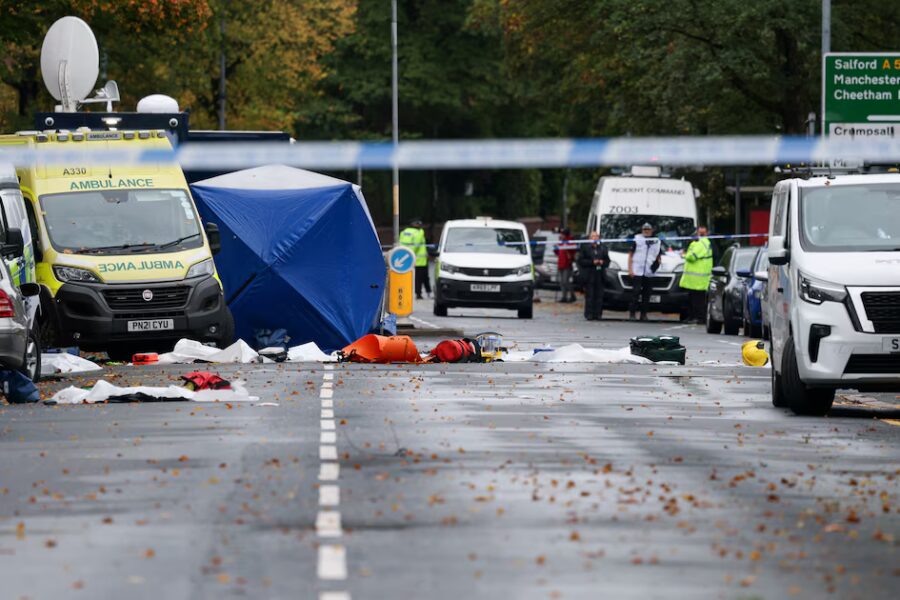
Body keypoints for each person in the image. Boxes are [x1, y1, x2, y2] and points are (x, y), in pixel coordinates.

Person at [679, 225, 713, 324]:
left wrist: (684, 255)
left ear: (707, 233)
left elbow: (692, 257)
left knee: (698, 300)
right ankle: (693, 317)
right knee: (693, 299)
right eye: (700, 233)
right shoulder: (699, 243)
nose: (701, 235)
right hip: (694, 278)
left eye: (703, 233)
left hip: (698, 278)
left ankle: (699, 318)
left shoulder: (703, 243)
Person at [628, 222, 662, 321]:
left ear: (651, 231)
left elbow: (658, 255)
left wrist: (657, 265)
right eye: (644, 230)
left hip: (649, 271)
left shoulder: (656, 241)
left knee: (647, 295)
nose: (646, 231)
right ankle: (632, 314)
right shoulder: (637, 239)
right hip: (637, 270)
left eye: (648, 230)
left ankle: (643, 314)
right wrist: (630, 269)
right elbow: (630, 255)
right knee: (635, 292)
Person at [577, 231, 609, 320]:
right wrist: (592, 262)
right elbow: (580, 261)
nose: (595, 238)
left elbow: (607, 261)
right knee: (590, 295)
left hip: (600, 274)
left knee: (599, 295)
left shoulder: (603, 248)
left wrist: (603, 262)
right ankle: (589, 314)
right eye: (593, 236)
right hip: (589, 274)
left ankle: (598, 314)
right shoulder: (585, 248)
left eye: (596, 236)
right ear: (590, 238)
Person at [399, 218, 430, 299]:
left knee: (403, 276)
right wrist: (411, 255)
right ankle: (421, 293)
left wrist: (406, 256)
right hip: (420, 259)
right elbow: (416, 245)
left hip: (404, 257)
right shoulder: (419, 232)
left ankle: (404, 293)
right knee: (422, 277)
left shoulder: (404, 232)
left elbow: (400, 243)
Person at [555, 228, 577, 303]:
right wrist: (556, 248)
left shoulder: (570, 241)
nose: (560, 235)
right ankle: (564, 297)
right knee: (562, 282)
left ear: (565, 235)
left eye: (562, 234)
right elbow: (558, 252)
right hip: (561, 264)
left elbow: (573, 250)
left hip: (567, 264)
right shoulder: (561, 242)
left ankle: (572, 295)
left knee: (565, 281)